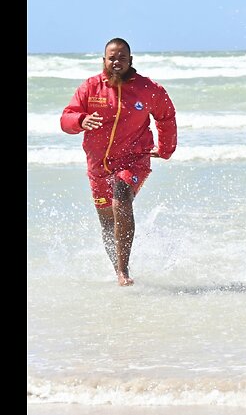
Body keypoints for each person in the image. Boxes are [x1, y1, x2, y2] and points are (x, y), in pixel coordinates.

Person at [60, 38, 177, 286]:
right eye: (112, 57)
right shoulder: (90, 88)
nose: (117, 61)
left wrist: (166, 149)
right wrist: (80, 121)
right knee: (106, 221)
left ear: (130, 61)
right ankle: (117, 270)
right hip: (98, 165)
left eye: (122, 57)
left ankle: (124, 272)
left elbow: (166, 116)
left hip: (133, 160)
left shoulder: (148, 89)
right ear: (104, 60)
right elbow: (66, 118)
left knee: (121, 198)